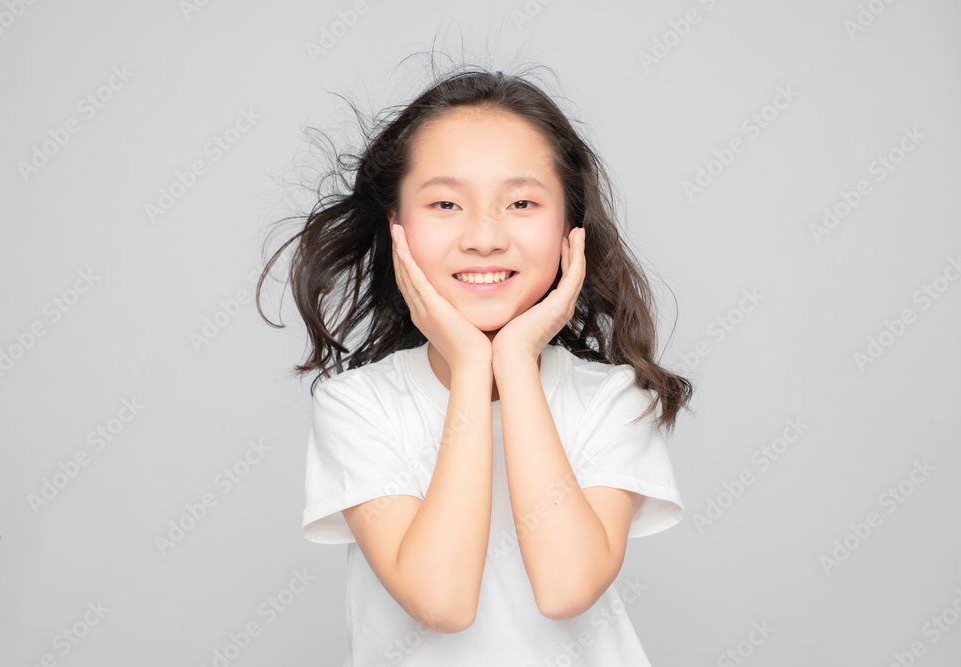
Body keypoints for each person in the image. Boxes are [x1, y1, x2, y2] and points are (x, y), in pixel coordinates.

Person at [257, 59, 695, 666]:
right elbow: (443, 601)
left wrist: (514, 359)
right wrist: (470, 367)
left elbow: (567, 588)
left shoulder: (611, 399)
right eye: (444, 204)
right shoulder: (358, 405)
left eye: (520, 203)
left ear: (572, 230)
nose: (484, 237)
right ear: (398, 229)